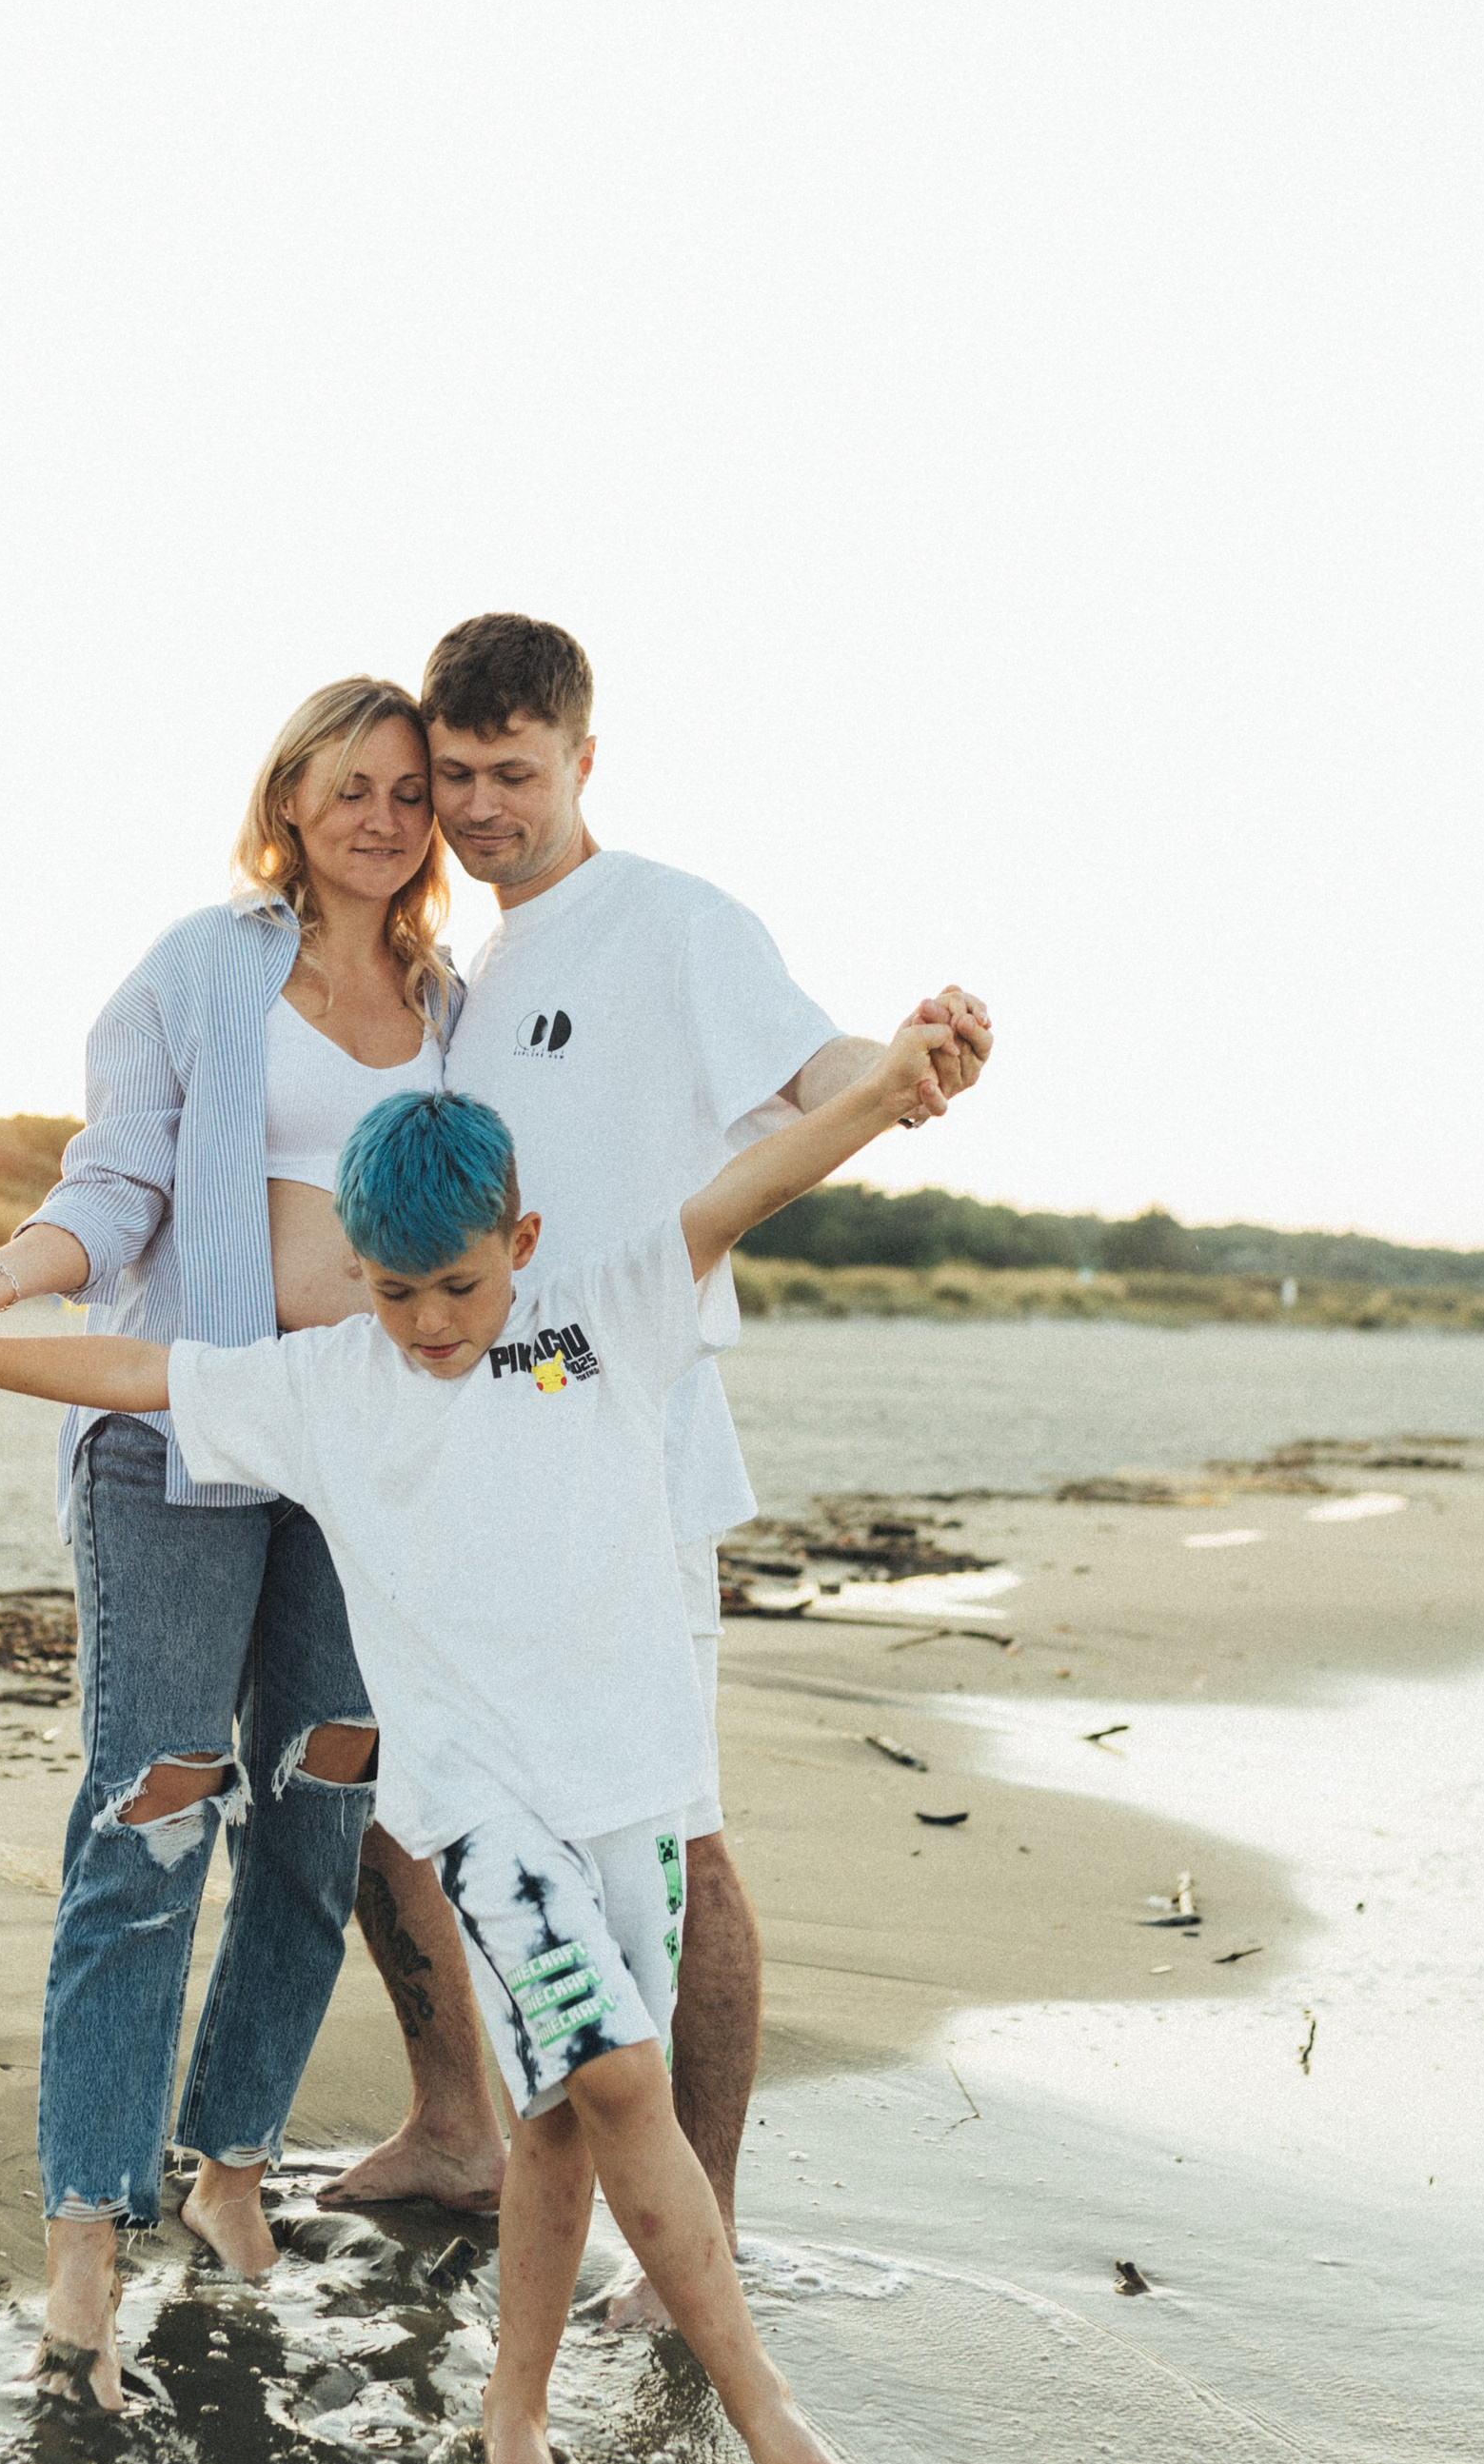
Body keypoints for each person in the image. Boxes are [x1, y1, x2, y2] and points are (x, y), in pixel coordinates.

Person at [0, 1016, 961, 2464]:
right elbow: (143, 1368)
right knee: (627, 2082)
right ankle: (772, 2426)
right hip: (484, 1814)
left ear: (525, 1241)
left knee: (563, 2123)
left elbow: (750, 1188)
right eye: (392, 1288)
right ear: (353, 1267)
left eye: (458, 1285)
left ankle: (513, 2417)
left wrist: (893, 1091)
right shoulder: (332, 1387)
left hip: (629, 1791)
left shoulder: (601, 1310)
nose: (428, 1322)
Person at [312, 613, 993, 2324]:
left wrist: (908, 1073)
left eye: (512, 775)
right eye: (455, 776)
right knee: (421, 1795)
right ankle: (461, 2125)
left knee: (670, 1834)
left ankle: (708, 2235)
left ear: (584, 760)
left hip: (630, 1455)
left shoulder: (674, 924)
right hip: (468, 1465)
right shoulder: (470, 975)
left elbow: (815, 1070)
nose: (478, 810)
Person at [0, 677, 457, 2395]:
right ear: (291, 795)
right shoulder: (205, 967)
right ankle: (86, 2244)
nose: (383, 816)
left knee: (326, 1794)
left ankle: (235, 2163)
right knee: (156, 1812)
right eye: (351, 785)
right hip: (179, 1440)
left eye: (409, 792)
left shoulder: (455, 1005)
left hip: (361, 1459)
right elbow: (115, 1184)